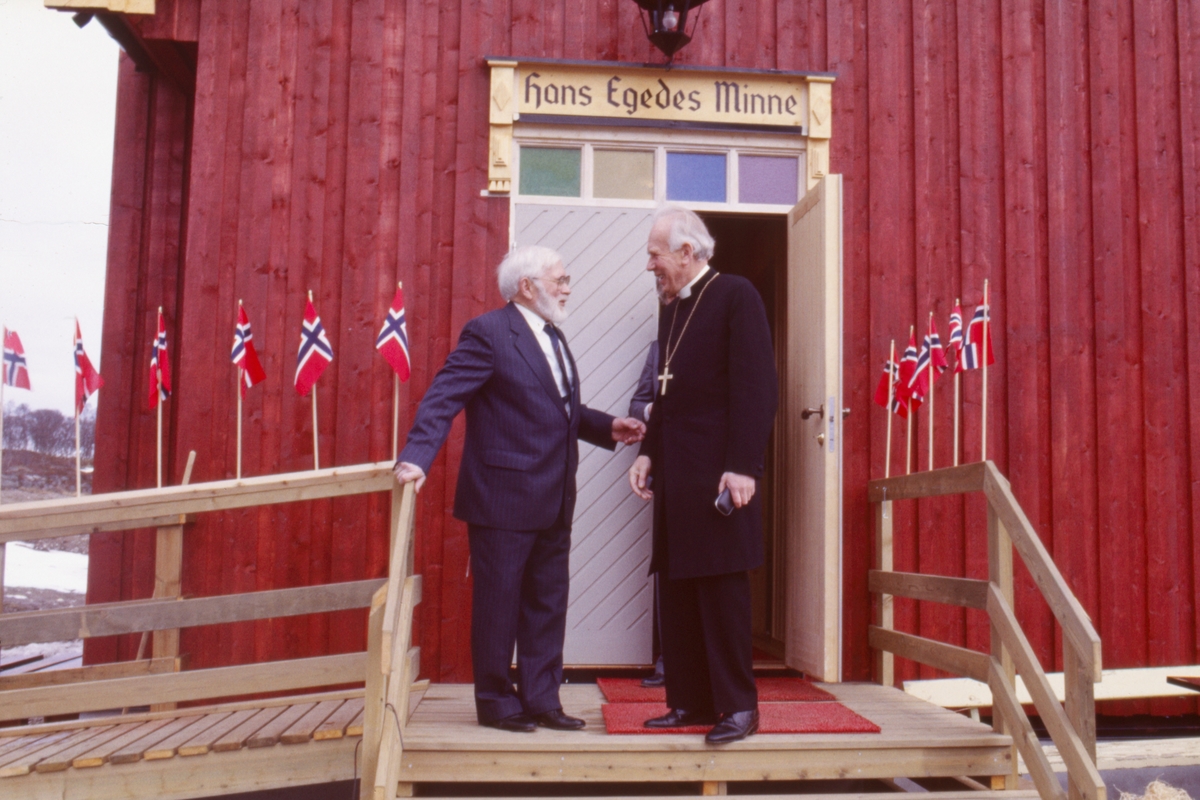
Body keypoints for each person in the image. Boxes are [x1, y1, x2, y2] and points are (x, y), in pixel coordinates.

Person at [395, 245, 645, 733]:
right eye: (560, 278)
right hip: (502, 498)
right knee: (499, 602)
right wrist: (416, 457)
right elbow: (445, 395)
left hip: (554, 496)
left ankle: (542, 699)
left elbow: (555, 407)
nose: (568, 286)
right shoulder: (489, 333)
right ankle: (495, 701)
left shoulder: (553, 335)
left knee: (547, 601)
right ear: (527, 287)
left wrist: (605, 426)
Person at [628, 206, 778, 744]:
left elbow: (757, 388)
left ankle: (739, 708)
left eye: (655, 255)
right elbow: (665, 394)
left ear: (687, 253)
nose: (650, 266)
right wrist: (648, 453)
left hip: (719, 476)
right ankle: (689, 700)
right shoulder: (672, 309)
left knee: (720, 591)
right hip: (677, 477)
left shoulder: (736, 295)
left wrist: (742, 466)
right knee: (678, 590)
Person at [628, 342, 666, 688]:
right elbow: (637, 405)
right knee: (668, 563)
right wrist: (655, 409)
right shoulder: (656, 350)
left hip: (713, 470)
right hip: (666, 466)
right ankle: (668, 662)